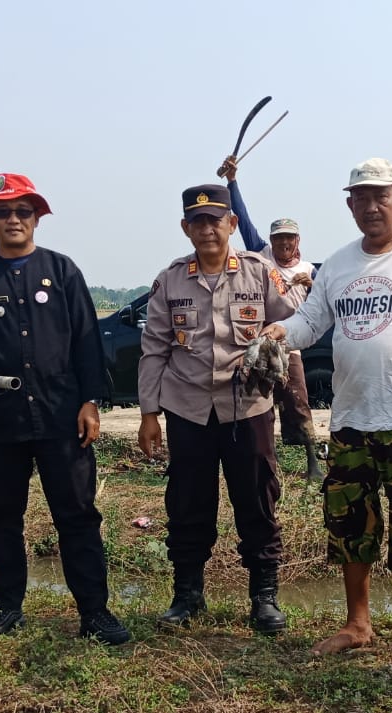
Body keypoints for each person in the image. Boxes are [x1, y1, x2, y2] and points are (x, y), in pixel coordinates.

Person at [260, 157, 392, 668]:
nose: (372, 206)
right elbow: (310, 324)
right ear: (349, 205)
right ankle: (358, 624)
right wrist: (278, 332)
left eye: (383, 196)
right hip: (351, 419)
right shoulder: (335, 265)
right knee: (349, 523)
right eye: (362, 197)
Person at [0, 172, 129, 645]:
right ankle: (6, 606)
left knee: (77, 515)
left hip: (62, 417)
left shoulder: (61, 271)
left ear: (37, 217)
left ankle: (94, 612)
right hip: (0, 419)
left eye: (22, 211)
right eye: (2, 212)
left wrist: (91, 400)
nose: (13, 219)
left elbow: (88, 342)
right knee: (4, 515)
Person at [137, 184, 302, 632]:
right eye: (198, 221)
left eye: (216, 220)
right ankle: (187, 594)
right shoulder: (170, 279)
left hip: (247, 409)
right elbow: (153, 348)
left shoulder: (258, 272)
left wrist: (277, 332)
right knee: (188, 502)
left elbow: (297, 314)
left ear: (231, 224)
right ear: (185, 228)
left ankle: (264, 596)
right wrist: (149, 413)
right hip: (188, 411)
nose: (208, 229)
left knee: (257, 499)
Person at [222, 155, 325, 481]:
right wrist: (232, 182)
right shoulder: (261, 254)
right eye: (278, 237)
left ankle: (313, 463)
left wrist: (312, 287)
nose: (283, 243)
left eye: (288, 238)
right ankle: (269, 462)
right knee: (257, 401)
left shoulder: (311, 270)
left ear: (298, 241)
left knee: (297, 401)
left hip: (290, 344)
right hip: (261, 341)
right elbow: (242, 217)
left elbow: (327, 305)